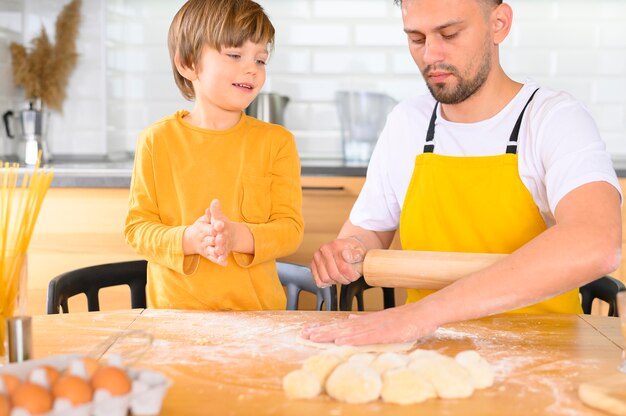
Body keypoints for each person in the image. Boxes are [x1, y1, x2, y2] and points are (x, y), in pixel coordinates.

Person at [303, 0, 622, 345]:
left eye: (449, 33)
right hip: (426, 354)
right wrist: (348, 250)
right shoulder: (407, 122)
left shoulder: (553, 118)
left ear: (499, 23)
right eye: (416, 39)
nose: (430, 56)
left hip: (543, 354)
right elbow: (367, 233)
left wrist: (424, 314)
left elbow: (596, 242)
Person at [124, 0, 303, 310]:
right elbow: (136, 230)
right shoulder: (157, 141)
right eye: (235, 55)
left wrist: (236, 236)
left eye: (260, 59)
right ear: (188, 63)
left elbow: (290, 230)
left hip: (258, 321)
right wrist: (189, 240)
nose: (252, 68)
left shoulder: (277, 142)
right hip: (175, 322)